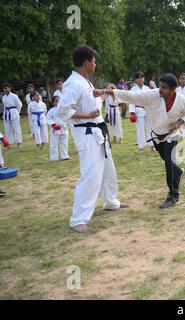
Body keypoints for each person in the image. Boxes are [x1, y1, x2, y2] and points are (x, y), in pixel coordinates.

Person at [56, 45, 124, 233]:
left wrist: (105, 91)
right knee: (91, 175)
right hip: (86, 133)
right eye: (93, 61)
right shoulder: (73, 84)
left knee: (108, 169)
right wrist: (87, 115)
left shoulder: (84, 81)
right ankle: (78, 218)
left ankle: (110, 201)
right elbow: (62, 111)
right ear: (86, 62)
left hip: (98, 131)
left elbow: (91, 95)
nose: (95, 64)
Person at [99, 73, 185, 209]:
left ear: (173, 89)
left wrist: (178, 123)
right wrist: (106, 91)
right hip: (156, 134)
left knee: (169, 162)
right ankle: (178, 172)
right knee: (167, 161)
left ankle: (173, 195)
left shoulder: (182, 100)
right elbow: (131, 96)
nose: (161, 89)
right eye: (160, 86)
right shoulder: (152, 95)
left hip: (172, 135)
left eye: (165, 87)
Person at [129, 72, 153, 152]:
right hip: (138, 111)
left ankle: (152, 146)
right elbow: (131, 101)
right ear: (135, 80)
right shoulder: (133, 89)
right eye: (138, 78)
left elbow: (151, 100)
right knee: (140, 129)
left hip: (147, 110)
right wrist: (132, 112)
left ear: (144, 78)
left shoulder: (147, 89)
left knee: (150, 129)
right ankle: (141, 147)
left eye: (141, 77)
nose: (140, 79)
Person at [47, 96, 70, 161]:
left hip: (64, 128)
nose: (58, 102)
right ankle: (54, 158)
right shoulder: (51, 111)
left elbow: (68, 117)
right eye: (56, 101)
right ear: (53, 102)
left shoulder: (64, 109)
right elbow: (48, 119)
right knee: (54, 144)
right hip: (55, 129)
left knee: (64, 143)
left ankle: (65, 156)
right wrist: (53, 125)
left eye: (59, 100)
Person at [2, 83, 23, 148]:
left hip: (14, 112)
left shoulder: (14, 96)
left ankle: (18, 142)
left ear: (10, 88)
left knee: (16, 128)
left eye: (6, 88)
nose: (5, 90)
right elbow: (4, 106)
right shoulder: (3, 97)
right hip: (6, 113)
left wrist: (17, 112)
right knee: (7, 128)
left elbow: (19, 105)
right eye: (4, 89)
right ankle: (8, 143)